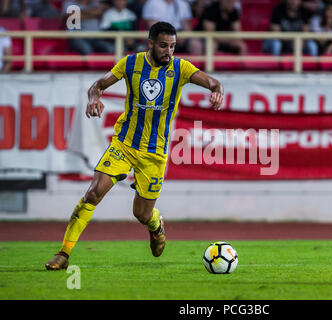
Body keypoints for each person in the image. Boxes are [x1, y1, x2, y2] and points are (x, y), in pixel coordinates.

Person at [45, 21, 224, 270]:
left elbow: (214, 82)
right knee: (93, 193)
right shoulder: (130, 63)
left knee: (141, 214)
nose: (168, 52)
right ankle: (63, 254)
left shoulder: (181, 68)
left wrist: (216, 92)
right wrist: (94, 99)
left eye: (172, 46)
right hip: (124, 144)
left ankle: (155, 225)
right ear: (150, 43)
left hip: (154, 154)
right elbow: (97, 85)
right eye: (163, 46)